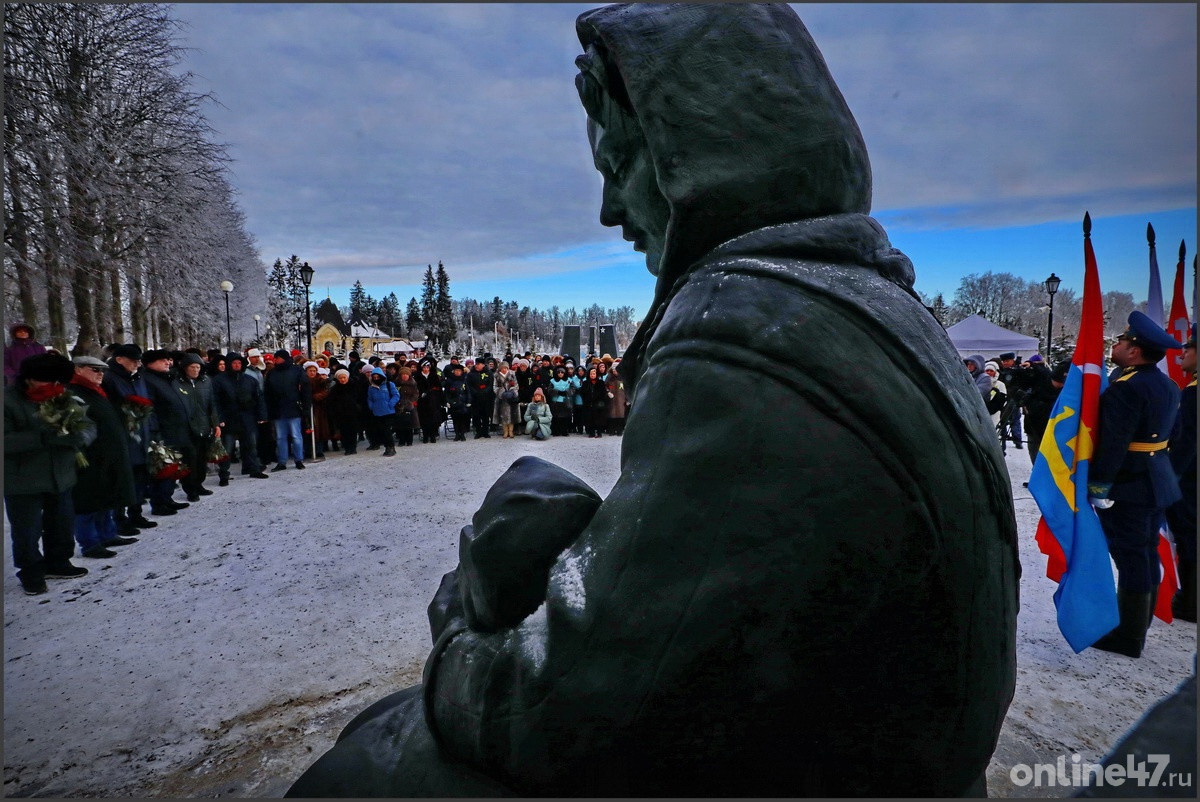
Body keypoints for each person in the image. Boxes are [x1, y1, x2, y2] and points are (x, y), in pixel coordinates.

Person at [289, 5, 1016, 797]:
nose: (609, 210)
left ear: (695, 155)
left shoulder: (742, 337)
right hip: (886, 757)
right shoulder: (874, 302)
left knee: (362, 768)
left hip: (827, 772)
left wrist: (457, 641)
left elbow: (565, 710)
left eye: (619, 163)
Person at [1088, 311, 1183, 658]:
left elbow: (1114, 444)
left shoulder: (1126, 389)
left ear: (1135, 351)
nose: (1116, 344)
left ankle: (1127, 637)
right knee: (1143, 554)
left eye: (1122, 341)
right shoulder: (1168, 385)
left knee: (1131, 557)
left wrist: (1099, 488)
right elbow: (1176, 434)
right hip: (1156, 479)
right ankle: (1136, 626)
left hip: (1129, 484)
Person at [4, 352, 92, 594]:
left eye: (59, 383)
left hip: (60, 474)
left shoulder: (62, 397)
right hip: (23, 479)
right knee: (27, 530)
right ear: (30, 379)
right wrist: (43, 437)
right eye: (50, 381)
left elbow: (86, 424)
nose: (56, 387)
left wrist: (80, 435)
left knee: (62, 523)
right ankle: (31, 571)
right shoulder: (8, 401)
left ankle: (58, 561)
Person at [68, 356, 138, 559]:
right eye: (94, 370)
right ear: (79, 370)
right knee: (88, 500)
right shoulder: (74, 393)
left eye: (102, 371)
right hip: (90, 456)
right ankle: (89, 542)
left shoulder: (97, 391)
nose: (100, 375)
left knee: (106, 496)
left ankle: (107, 534)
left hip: (108, 454)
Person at [101, 344, 159, 534]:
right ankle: (119, 518)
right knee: (123, 478)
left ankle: (136, 513)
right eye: (133, 360)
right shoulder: (109, 378)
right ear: (119, 359)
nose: (137, 363)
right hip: (124, 434)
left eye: (138, 360)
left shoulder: (138, 376)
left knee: (140, 476)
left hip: (141, 434)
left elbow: (146, 402)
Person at [140, 349, 194, 515]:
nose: (167, 362)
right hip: (163, 432)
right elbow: (150, 409)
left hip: (175, 430)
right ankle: (159, 502)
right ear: (150, 363)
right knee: (164, 467)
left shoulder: (164, 378)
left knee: (173, 467)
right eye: (162, 360)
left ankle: (167, 498)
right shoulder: (148, 380)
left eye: (168, 360)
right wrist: (156, 432)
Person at [1166, 324, 1196, 622]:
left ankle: (1190, 601)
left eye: (1190, 348)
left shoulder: (1193, 393)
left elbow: (1186, 443)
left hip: (1190, 480)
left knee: (1189, 539)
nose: (1183, 352)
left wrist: (1169, 480)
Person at [212, 352, 269, 481]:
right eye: (234, 363)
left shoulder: (249, 380)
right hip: (228, 418)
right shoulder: (219, 380)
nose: (237, 365)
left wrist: (262, 415)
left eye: (239, 363)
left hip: (247, 417)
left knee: (251, 445)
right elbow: (215, 401)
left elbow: (259, 398)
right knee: (227, 448)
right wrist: (219, 419)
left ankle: (253, 469)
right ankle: (224, 474)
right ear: (229, 364)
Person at [177, 353, 219, 501]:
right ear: (185, 368)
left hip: (204, 426)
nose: (195, 370)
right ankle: (190, 488)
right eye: (192, 367)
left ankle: (199, 484)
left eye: (198, 367)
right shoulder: (177, 383)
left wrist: (215, 423)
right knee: (190, 460)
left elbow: (212, 404)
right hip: (187, 428)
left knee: (202, 459)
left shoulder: (206, 382)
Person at [264, 349, 310, 471]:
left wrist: (305, 406)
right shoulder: (272, 373)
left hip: (293, 407)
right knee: (280, 437)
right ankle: (282, 461)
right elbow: (267, 392)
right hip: (278, 409)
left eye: (277, 358)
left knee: (296, 436)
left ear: (283, 358)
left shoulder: (296, 370)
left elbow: (305, 389)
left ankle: (298, 459)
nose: (274, 360)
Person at [1019, 354, 1056, 463]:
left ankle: (1040, 474)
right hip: (1031, 422)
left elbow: (1044, 374)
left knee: (1040, 450)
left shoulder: (1046, 376)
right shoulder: (1031, 377)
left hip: (1042, 421)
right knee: (1033, 448)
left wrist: (1033, 366)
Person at [326, 368, 363, 455]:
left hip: (353, 412)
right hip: (340, 414)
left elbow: (359, 398)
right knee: (343, 431)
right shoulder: (335, 389)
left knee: (353, 431)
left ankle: (353, 447)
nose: (342, 380)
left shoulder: (354, 386)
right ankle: (347, 448)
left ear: (347, 377)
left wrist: (358, 407)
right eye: (340, 378)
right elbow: (331, 402)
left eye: (344, 377)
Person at [365, 367, 398, 457]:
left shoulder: (389, 384)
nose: (376, 379)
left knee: (387, 430)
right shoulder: (371, 387)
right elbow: (370, 399)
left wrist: (390, 404)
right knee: (381, 430)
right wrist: (371, 406)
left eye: (377, 377)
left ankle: (390, 447)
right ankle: (387, 446)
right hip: (377, 412)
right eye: (374, 377)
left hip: (388, 411)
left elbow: (396, 395)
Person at [996, 353, 1025, 449]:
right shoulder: (1002, 371)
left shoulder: (1018, 371)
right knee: (1003, 419)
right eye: (1004, 361)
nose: (1005, 363)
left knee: (1015, 419)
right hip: (1004, 399)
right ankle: (1003, 439)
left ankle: (1017, 440)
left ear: (1012, 360)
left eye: (1007, 361)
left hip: (1013, 398)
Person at [415, 361, 444, 443]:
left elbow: (439, 388)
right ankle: (425, 435)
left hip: (433, 401)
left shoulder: (434, 376)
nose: (426, 369)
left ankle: (433, 435)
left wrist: (440, 399)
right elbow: (416, 388)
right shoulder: (418, 377)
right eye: (424, 368)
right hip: (422, 401)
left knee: (433, 419)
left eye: (427, 368)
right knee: (424, 419)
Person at [443, 363, 471, 442]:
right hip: (453, 402)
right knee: (455, 420)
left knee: (463, 419)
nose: (458, 372)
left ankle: (462, 434)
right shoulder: (449, 380)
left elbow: (468, 391)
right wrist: (447, 402)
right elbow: (446, 393)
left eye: (459, 371)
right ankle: (457, 434)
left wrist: (469, 400)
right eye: (456, 371)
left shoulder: (464, 380)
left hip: (463, 402)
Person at [581, 364, 610, 437]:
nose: (592, 375)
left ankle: (599, 432)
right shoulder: (585, 383)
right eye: (591, 374)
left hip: (598, 403)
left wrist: (599, 399)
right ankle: (591, 432)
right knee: (590, 419)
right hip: (589, 404)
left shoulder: (601, 383)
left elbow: (603, 393)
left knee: (599, 419)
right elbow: (583, 393)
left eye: (594, 373)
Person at [493, 361, 520, 439]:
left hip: (511, 397)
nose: (504, 370)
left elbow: (516, 385)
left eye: (505, 368)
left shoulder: (512, 374)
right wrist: (502, 393)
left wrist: (512, 392)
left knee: (512, 415)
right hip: (502, 398)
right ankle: (505, 431)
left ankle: (511, 431)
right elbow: (495, 387)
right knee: (503, 416)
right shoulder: (496, 376)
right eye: (502, 368)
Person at [468, 359, 493, 439]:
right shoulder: (471, 374)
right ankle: (478, 432)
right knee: (476, 415)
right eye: (476, 364)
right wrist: (475, 392)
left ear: (483, 365)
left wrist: (485, 391)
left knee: (485, 415)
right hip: (475, 398)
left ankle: (485, 431)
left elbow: (491, 384)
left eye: (478, 364)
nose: (476, 365)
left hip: (486, 397)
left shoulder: (488, 373)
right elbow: (469, 385)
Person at [394, 366, 418, 447]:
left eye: (406, 374)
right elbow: (394, 394)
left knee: (409, 425)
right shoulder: (396, 383)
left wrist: (410, 401)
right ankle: (401, 440)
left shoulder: (413, 383)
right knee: (400, 424)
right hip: (399, 405)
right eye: (403, 374)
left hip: (409, 406)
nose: (404, 376)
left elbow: (415, 394)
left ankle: (409, 440)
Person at [548, 365, 572, 436]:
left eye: (562, 372)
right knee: (556, 417)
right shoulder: (552, 381)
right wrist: (557, 391)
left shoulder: (569, 380)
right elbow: (549, 390)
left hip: (565, 401)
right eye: (559, 372)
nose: (560, 374)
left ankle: (564, 430)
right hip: (556, 401)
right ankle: (556, 431)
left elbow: (572, 389)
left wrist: (566, 392)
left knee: (565, 417)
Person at [606, 360, 628, 435]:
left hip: (621, 399)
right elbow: (605, 386)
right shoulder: (609, 378)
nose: (615, 371)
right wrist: (608, 392)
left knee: (620, 416)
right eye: (614, 369)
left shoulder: (623, 378)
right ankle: (612, 430)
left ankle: (619, 430)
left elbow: (627, 389)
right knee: (612, 416)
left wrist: (627, 399)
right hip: (612, 400)